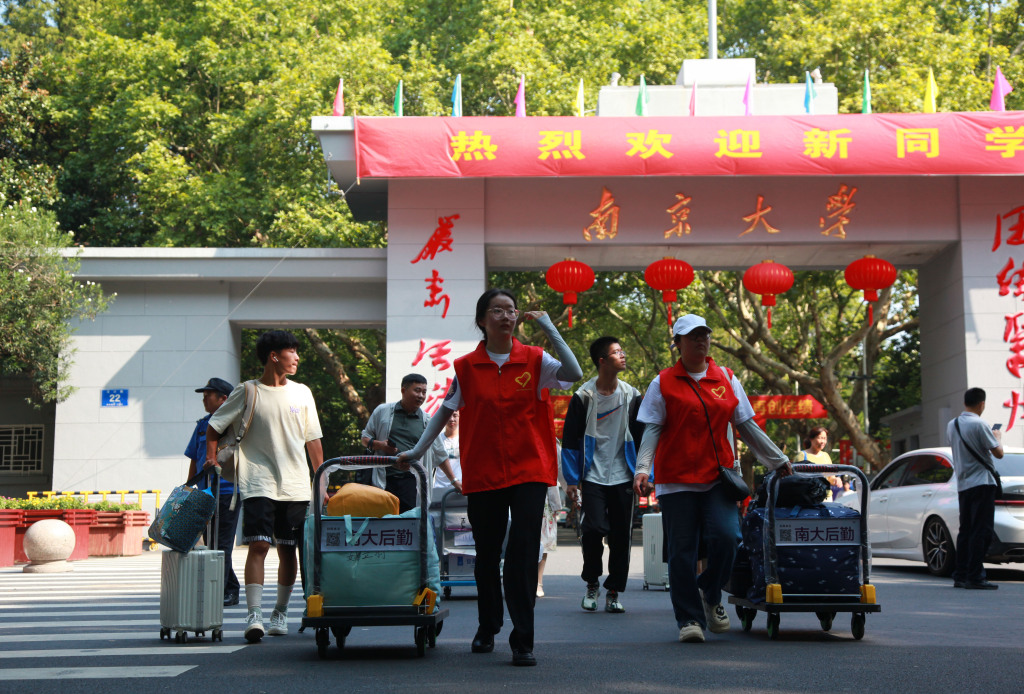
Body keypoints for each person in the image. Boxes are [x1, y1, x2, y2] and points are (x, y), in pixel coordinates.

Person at [398, 288, 582, 666]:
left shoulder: (535, 359)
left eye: (510, 310)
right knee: (486, 552)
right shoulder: (467, 367)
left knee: (524, 550)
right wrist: (417, 452)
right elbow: (443, 412)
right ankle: (488, 625)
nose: (506, 316)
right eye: (496, 310)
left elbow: (574, 373)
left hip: (529, 468)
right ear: (483, 320)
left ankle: (523, 639)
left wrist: (548, 326)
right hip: (483, 471)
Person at [633, 314, 792, 644]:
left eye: (704, 335)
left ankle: (708, 592)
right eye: (692, 337)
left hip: (718, 477)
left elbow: (746, 425)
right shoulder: (662, 382)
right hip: (675, 480)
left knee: (728, 538)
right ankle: (688, 619)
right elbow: (652, 430)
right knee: (682, 552)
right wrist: (642, 469)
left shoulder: (727, 378)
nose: (700, 341)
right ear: (677, 343)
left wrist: (778, 460)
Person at [206, 330, 324, 643]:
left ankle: (280, 612)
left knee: (288, 549)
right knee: (258, 545)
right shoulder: (247, 391)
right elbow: (214, 425)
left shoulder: (302, 393)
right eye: (292, 352)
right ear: (274, 356)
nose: (297, 357)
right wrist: (211, 458)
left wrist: (322, 479)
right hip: (257, 479)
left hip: (297, 484)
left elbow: (313, 439)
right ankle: (254, 615)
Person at [561, 336, 644, 614]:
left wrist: (644, 471)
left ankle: (613, 591)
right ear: (602, 361)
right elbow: (571, 440)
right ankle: (592, 583)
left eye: (622, 350)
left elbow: (644, 438)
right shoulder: (583, 397)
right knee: (594, 529)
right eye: (616, 352)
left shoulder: (632, 396)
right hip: (592, 476)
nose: (623, 355)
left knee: (621, 536)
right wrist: (572, 480)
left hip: (623, 476)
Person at [361, 373, 460, 512]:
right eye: (417, 390)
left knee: (409, 526)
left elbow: (440, 454)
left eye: (424, 392)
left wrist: (454, 481)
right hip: (383, 481)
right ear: (403, 390)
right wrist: (380, 445)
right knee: (384, 525)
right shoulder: (382, 412)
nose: (421, 396)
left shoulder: (427, 421)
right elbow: (365, 438)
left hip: (412, 483)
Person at [184, 376, 240, 606]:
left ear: (223, 399)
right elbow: (194, 459)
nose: (204, 399)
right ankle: (231, 587)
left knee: (223, 543)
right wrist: (188, 488)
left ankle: (222, 590)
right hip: (204, 492)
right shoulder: (202, 425)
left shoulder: (235, 425)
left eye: (208, 395)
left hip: (227, 491)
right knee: (211, 542)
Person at [946, 387, 1004, 590]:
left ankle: (960, 575)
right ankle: (975, 576)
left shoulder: (952, 425)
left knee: (966, 531)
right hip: (982, 483)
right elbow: (998, 454)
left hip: (963, 485)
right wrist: (997, 436)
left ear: (965, 403)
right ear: (982, 404)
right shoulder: (980, 424)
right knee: (982, 531)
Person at [536, 483, 561, 597]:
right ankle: (532, 582)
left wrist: (556, 505)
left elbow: (553, 479)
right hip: (525, 500)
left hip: (544, 503)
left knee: (544, 545)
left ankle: (538, 582)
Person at [794, 426, 833, 499]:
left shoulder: (826, 456)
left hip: (826, 498)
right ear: (811, 439)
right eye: (820, 438)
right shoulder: (802, 456)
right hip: (808, 498)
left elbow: (831, 477)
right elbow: (795, 478)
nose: (823, 441)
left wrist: (836, 480)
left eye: (825, 438)